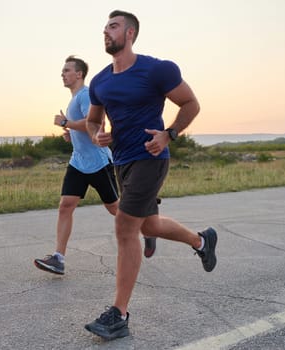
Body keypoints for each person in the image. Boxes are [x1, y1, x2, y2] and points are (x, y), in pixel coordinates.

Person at [84, 10, 218, 340]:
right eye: (104, 27)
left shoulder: (157, 69)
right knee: (147, 225)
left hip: (151, 157)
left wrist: (168, 134)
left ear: (130, 33)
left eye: (113, 27)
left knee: (124, 225)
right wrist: (98, 135)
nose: (106, 32)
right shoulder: (100, 81)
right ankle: (202, 241)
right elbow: (92, 121)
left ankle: (119, 314)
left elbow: (190, 104)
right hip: (122, 161)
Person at [34, 55, 157, 276]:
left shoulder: (85, 95)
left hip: (99, 162)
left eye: (67, 70)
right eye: (63, 71)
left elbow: (96, 123)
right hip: (78, 162)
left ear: (79, 74)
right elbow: (86, 129)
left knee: (116, 209)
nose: (62, 74)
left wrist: (66, 123)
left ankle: (148, 225)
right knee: (65, 205)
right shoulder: (74, 99)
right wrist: (71, 134)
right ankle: (58, 258)